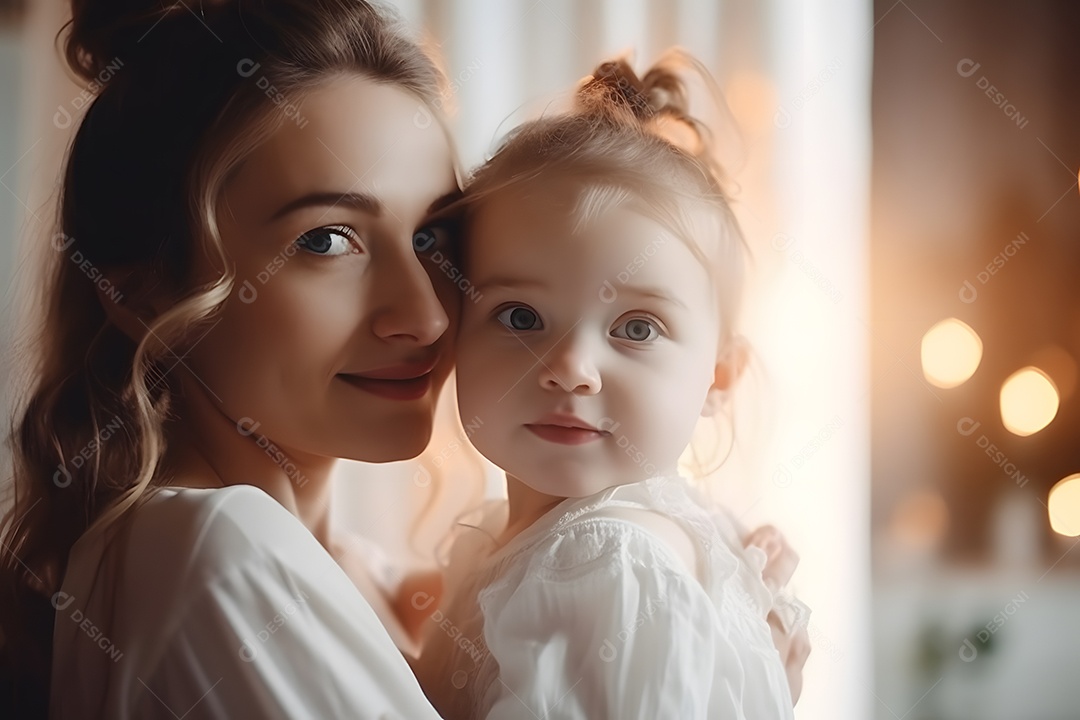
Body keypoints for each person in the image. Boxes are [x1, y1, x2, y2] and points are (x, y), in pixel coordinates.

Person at [0, 0, 467, 717]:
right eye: (327, 240)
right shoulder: (217, 554)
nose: (427, 314)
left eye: (434, 238)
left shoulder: (350, 575)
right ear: (145, 294)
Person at [413, 52, 811, 719]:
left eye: (636, 328)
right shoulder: (528, 541)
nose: (571, 367)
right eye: (520, 317)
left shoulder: (606, 561)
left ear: (717, 377)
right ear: (454, 329)